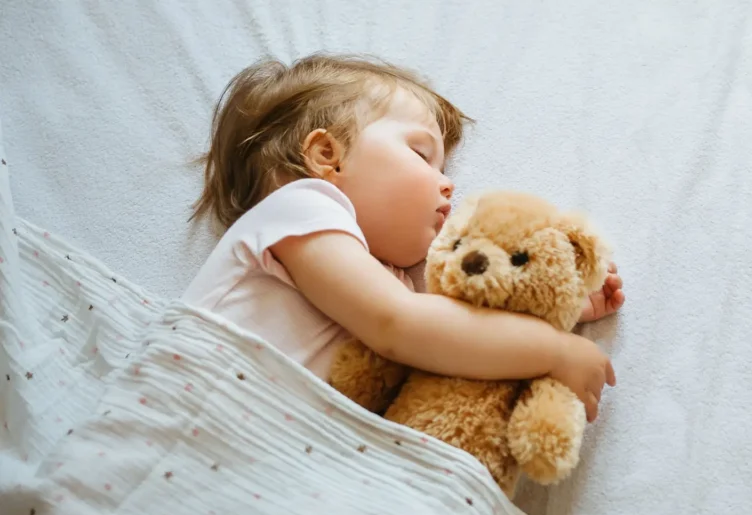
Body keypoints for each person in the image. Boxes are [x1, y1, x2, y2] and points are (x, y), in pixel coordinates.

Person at [182, 53, 625, 421]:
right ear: (326, 156)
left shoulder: (392, 278)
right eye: (421, 154)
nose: (448, 185)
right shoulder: (300, 208)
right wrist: (552, 350)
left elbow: (449, 334)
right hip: (193, 417)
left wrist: (544, 307)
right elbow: (400, 325)